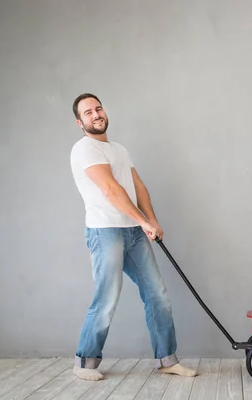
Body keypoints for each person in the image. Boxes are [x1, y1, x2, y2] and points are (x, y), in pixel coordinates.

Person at [69, 93, 197, 381]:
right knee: (107, 299)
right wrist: (143, 221)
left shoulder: (119, 150)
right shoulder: (84, 149)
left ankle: (166, 359)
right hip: (105, 232)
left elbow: (138, 186)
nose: (96, 114)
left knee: (158, 296)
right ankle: (85, 363)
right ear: (80, 122)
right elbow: (110, 190)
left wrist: (151, 220)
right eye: (88, 112)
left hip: (134, 232)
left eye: (98, 108)